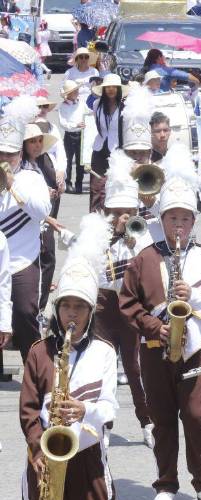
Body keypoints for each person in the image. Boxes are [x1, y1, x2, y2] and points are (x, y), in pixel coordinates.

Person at [118, 151, 201, 500]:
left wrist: (193, 296)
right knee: (163, 418)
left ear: (193, 221)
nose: (179, 225)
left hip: (195, 347)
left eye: (185, 218)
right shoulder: (145, 258)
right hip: (155, 348)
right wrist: (155, 326)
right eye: (172, 218)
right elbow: (128, 303)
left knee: (197, 417)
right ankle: (166, 483)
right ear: (162, 220)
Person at [19, 213, 119, 500]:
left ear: (91, 312)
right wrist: (36, 450)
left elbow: (109, 409)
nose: (71, 314)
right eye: (65, 306)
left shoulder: (106, 352)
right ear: (56, 309)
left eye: (79, 307)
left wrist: (84, 410)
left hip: (89, 461)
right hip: (45, 463)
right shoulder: (39, 351)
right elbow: (29, 410)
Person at [97, 148, 155, 448]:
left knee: (135, 368)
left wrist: (132, 243)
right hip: (104, 305)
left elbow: (148, 270)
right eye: (116, 212)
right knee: (103, 366)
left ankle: (147, 422)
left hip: (130, 304)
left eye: (127, 212)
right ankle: (102, 425)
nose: (123, 217)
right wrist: (111, 236)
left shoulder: (141, 233)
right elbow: (93, 268)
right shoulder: (98, 232)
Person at [0, 96, 52, 362]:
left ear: (19, 154)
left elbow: (42, 211)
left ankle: (37, 370)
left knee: (24, 315)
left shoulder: (31, 178)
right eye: (0, 153)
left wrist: (12, 184)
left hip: (22, 261)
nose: (4, 158)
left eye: (9, 153)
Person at [20, 124, 59, 312]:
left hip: (46, 217)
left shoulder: (43, 160)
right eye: (32, 141)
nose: (37, 145)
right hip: (31, 222)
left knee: (49, 260)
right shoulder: (22, 167)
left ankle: (40, 307)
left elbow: (54, 183)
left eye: (39, 141)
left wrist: (53, 190)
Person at [89, 74, 124, 212]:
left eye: (114, 87)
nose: (110, 89)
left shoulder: (125, 106)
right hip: (99, 148)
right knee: (96, 187)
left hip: (118, 150)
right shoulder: (96, 104)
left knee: (115, 187)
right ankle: (95, 219)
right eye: (107, 87)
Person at [58, 80, 87, 194]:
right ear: (68, 94)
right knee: (68, 161)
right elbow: (63, 123)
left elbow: (88, 112)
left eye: (77, 90)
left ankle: (79, 183)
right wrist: (75, 125)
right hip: (70, 135)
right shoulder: (63, 106)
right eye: (74, 91)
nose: (77, 92)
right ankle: (68, 183)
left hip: (81, 135)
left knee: (81, 162)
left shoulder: (81, 103)